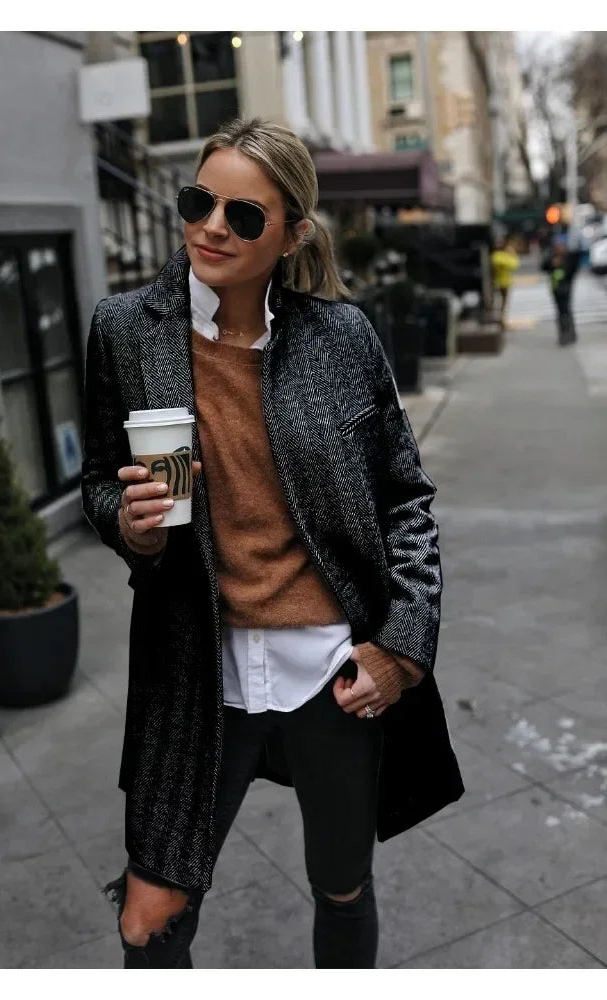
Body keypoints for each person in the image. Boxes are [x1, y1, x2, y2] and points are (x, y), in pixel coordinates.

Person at [81, 117, 463, 970]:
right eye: (199, 202)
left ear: (290, 235)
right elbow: (100, 480)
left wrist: (402, 650)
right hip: (194, 673)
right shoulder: (125, 330)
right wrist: (128, 523)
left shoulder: (341, 338)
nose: (212, 227)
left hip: (329, 676)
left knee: (342, 886)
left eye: (244, 215)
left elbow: (406, 500)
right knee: (149, 919)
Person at [543, 240, 579, 346]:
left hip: (565, 288)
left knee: (565, 311)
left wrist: (561, 265)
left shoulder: (568, 257)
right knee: (560, 312)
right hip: (556, 288)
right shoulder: (552, 257)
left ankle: (568, 334)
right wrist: (552, 263)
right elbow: (544, 267)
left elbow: (572, 271)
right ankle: (564, 333)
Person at [490, 236, 520, 326]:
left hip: (502, 282)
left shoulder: (497, 255)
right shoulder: (499, 256)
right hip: (501, 282)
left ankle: (501, 319)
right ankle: (500, 319)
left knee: (502, 302)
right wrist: (512, 254)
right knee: (501, 302)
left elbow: (514, 265)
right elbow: (514, 264)